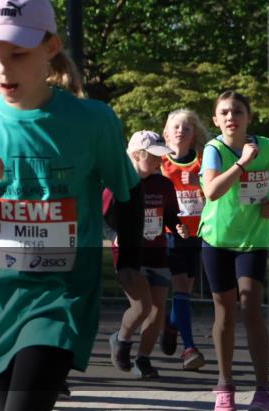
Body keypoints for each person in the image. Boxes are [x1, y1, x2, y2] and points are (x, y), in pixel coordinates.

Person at [0, 0, 141, 411]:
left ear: (51, 47)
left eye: (17, 54)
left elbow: (128, 194)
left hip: (62, 297)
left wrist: (130, 262)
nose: (2, 70)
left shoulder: (92, 121)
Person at [199, 90, 269, 411]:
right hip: (217, 240)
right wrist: (241, 164)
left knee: (250, 303)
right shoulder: (214, 149)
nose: (230, 117)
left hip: (253, 239)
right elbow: (211, 191)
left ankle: (263, 391)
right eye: (224, 112)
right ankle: (225, 388)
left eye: (237, 112)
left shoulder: (265, 147)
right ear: (215, 120)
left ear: (248, 118)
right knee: (224, 311)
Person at [105, 131, 187, 381]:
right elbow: (102, 218)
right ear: (136, 155)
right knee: (141, 306)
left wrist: (177, 226)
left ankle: (143, 359)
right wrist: (114, 234)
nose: (159, 162)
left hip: (157, 252)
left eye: (161, 158)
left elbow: (170, 214)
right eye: (154, 157)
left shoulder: (163, 184)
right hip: (129, 254)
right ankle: (121, 339)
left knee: (157, 310)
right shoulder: (117, 184)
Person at [159, 109, 209, 370]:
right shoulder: (160, 163)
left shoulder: (202, 162)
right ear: (166, 133)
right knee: (180, 287)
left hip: (197, 234)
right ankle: (189, 348)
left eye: (186, 128)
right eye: (175, 127)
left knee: (185, 292)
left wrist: (199, 185)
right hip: (171, 234)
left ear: (193, 135)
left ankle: (170, 324)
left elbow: (216, 197)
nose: (180, 131)